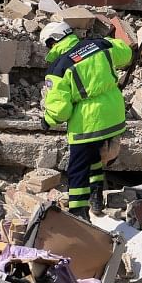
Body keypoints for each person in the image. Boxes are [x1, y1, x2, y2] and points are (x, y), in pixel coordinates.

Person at [40, 21, 132, 220]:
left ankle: (79, 214)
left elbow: (61, 110)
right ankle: (96, 196)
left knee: (77, 169)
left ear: (53, 41)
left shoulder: (58, 68)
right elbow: (126, 54)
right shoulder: (99, 45)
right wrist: (107, 40)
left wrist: (48, 120)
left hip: (88, 123)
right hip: (114, 116)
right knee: (96, 157)